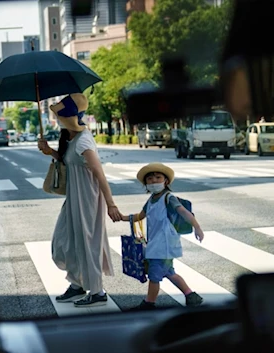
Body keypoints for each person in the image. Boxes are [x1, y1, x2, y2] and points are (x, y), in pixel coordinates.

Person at [38, 93, 124, 308]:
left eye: (60, 116)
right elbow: (70, 163)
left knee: (88, 243)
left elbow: (99, 173)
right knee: (65, 240)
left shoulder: (84, 140)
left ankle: (97, 291)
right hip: (74, 196)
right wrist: (51, 152)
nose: (57, 119)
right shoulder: (71, 139)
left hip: (88, 198)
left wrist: (110, 204)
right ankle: (77, 283)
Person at [118, 162, 205, 310]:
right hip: (156, 243)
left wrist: (197, 227)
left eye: (158, 177)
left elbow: (183, 211)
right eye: (150, 179)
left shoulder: (168, 197)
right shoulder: (151, 200)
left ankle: (149, 303)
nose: (154, 181)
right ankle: (191, 296)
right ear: (146, 183)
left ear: (166, 181)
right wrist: (122, 217)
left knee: (154, 276)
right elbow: (141, 216)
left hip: (164, 244)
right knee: (169, 272)